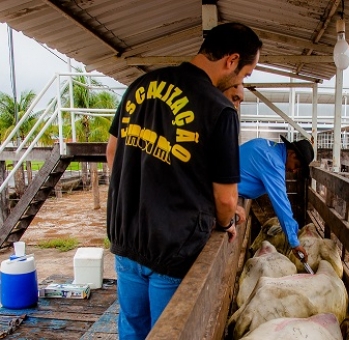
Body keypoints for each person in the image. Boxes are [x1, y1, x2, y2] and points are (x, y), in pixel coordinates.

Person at [105, 23, 262, 339]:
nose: (242, 81)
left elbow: (112, 153)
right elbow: (227, 200)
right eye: (246, 73)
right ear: (231, 60)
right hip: (174, 248)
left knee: (133, 329)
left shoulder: (140, 85)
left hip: (127, 237)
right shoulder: (219, 109)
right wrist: (225, 222)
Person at [237, 135, 315, 262]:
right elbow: (281, 202)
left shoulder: (265, 145)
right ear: (292, 154)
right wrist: (294, 242)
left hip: (219, 186)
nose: (294, 170)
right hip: (212, 192)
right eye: (297, 165)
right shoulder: (273, 162)